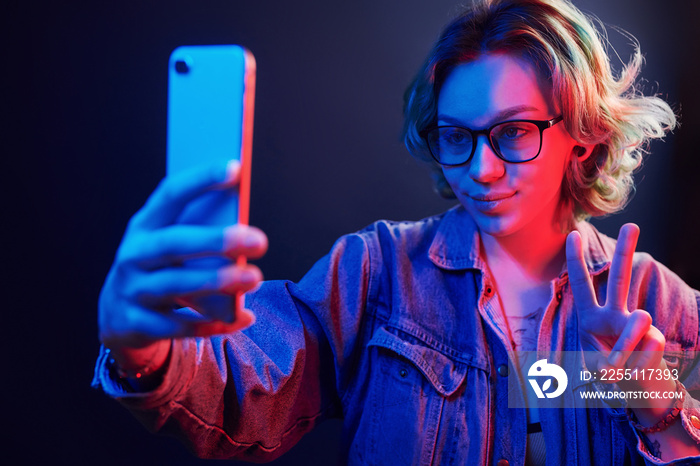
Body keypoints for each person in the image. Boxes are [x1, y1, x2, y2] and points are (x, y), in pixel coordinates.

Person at [93, 0, 700, 464]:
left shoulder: (667, 311)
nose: (480, 170)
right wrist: (144, 352)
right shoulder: (376, 273)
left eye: (514, 132)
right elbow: (243, 379)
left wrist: (658, 407)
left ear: (584, 137)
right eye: (457, 137)